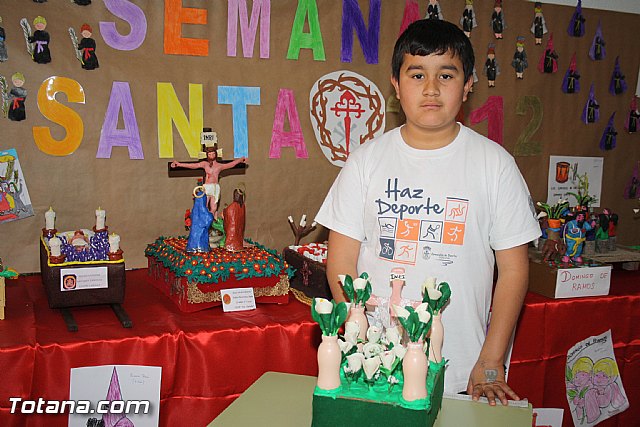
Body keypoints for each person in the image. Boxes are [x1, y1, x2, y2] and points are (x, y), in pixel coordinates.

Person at [315, 19, 540, 406]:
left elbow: (515, 269)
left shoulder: (495, 164)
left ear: (469, 84)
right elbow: (342, 259)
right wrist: (354, 335)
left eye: (446, 75)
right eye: (417, 74)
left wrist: (490, 361)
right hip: (374, 364)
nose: (431, 88)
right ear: (396, 84)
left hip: (462, 371)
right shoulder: (366, 161)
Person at [171, 145, 247, 218]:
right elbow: (193, 165)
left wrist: (240, 159)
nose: (211, 155)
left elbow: (231, 164)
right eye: (209, 154)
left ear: (216, 154)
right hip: (207, 187)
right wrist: (179, 164)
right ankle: (205, 224)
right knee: (205, 206)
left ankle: (211, 224)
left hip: (215, 188)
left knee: (214, 208)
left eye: (213, 153)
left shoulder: (219, 166)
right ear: (207, 155)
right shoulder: (205, 164)